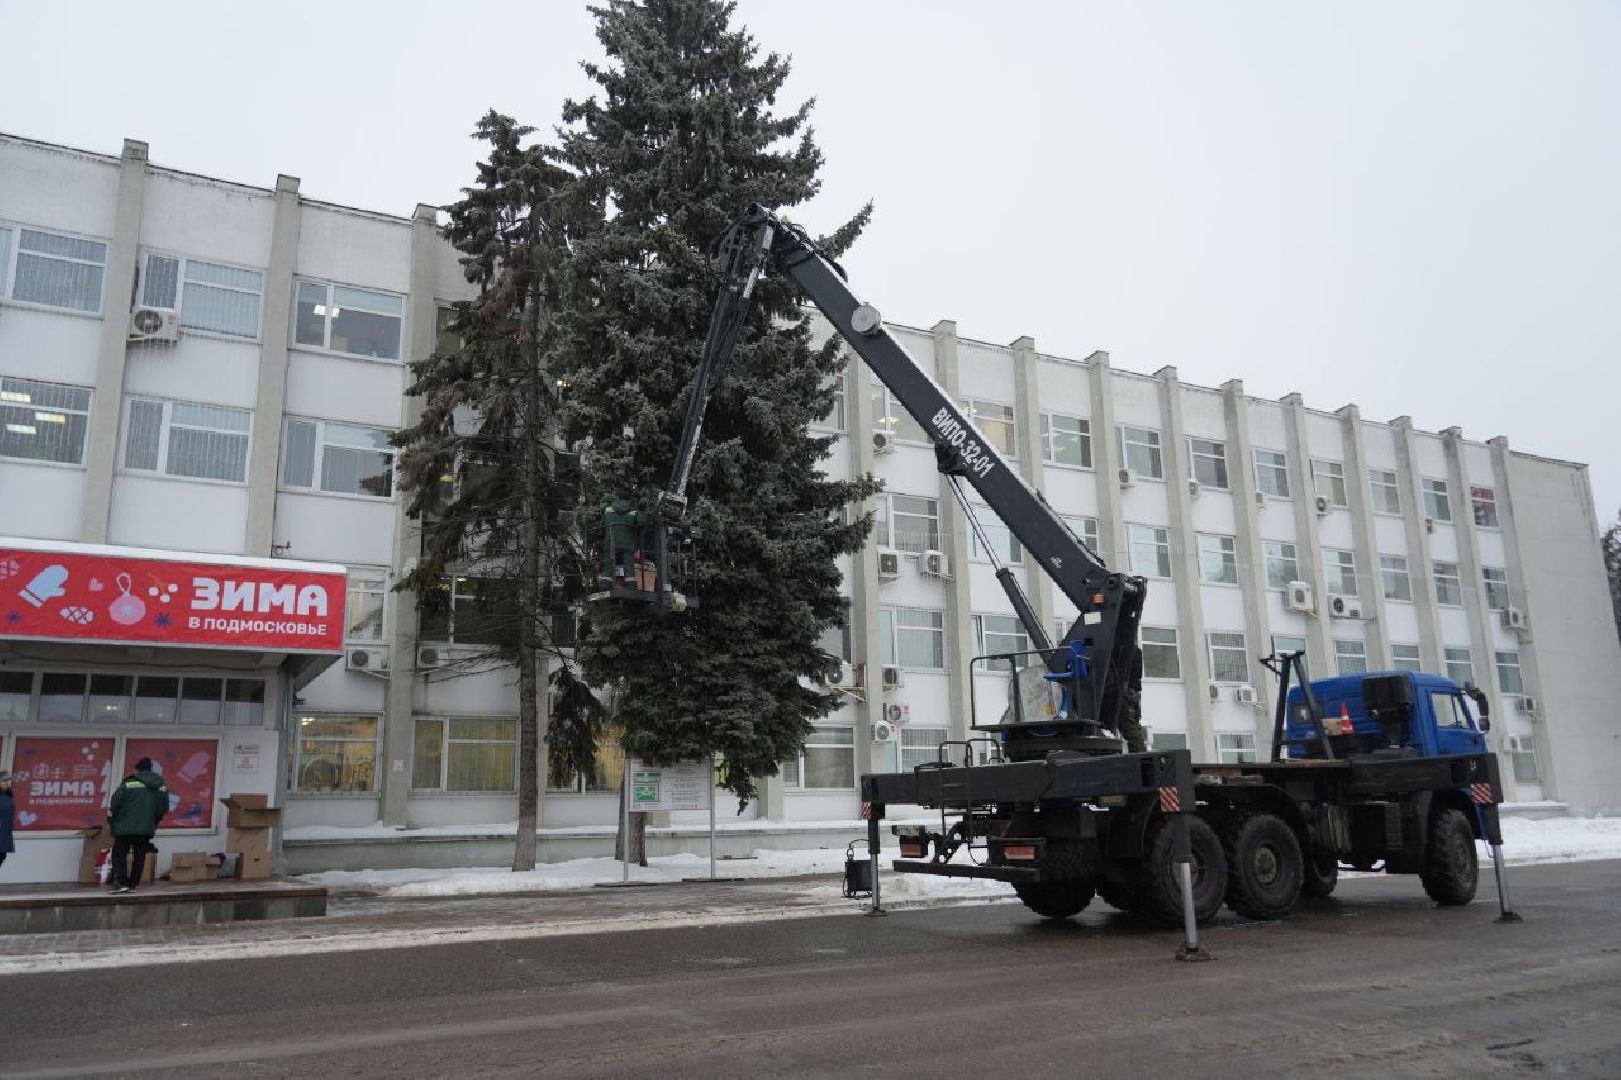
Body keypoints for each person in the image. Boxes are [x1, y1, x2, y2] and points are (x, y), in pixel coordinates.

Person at [107, 757, 168, 894]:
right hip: (146, 828)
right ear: (151, 769)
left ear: (138, 768)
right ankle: (133, 883)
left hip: (124, 827)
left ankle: (122, 882)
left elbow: (115, 802)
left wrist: (114, 819)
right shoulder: (161, 785)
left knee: (119, 853)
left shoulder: (130, 782)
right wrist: (153, 821)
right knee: (140, 854)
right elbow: (164, 807)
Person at [0, 770, 15, 872]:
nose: (6, 782)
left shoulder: (9, 796)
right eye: (3, 780)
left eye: (8, 780)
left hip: (4, 835)